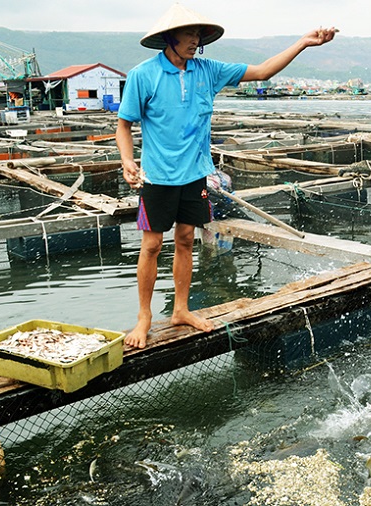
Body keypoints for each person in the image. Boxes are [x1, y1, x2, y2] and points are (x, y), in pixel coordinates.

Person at [116, 3, 336, 349]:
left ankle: (181, 310)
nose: (195, 40)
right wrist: (128, 161)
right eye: (189, 33)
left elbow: (263, 72)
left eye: (198, 35)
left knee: (187, 238)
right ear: (169, 38)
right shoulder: (143, 75)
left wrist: (303, 43)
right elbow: (124, 125)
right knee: (153, 245)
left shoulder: (209, 71)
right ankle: (144, 317)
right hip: (157, 177)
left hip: (195, 175)